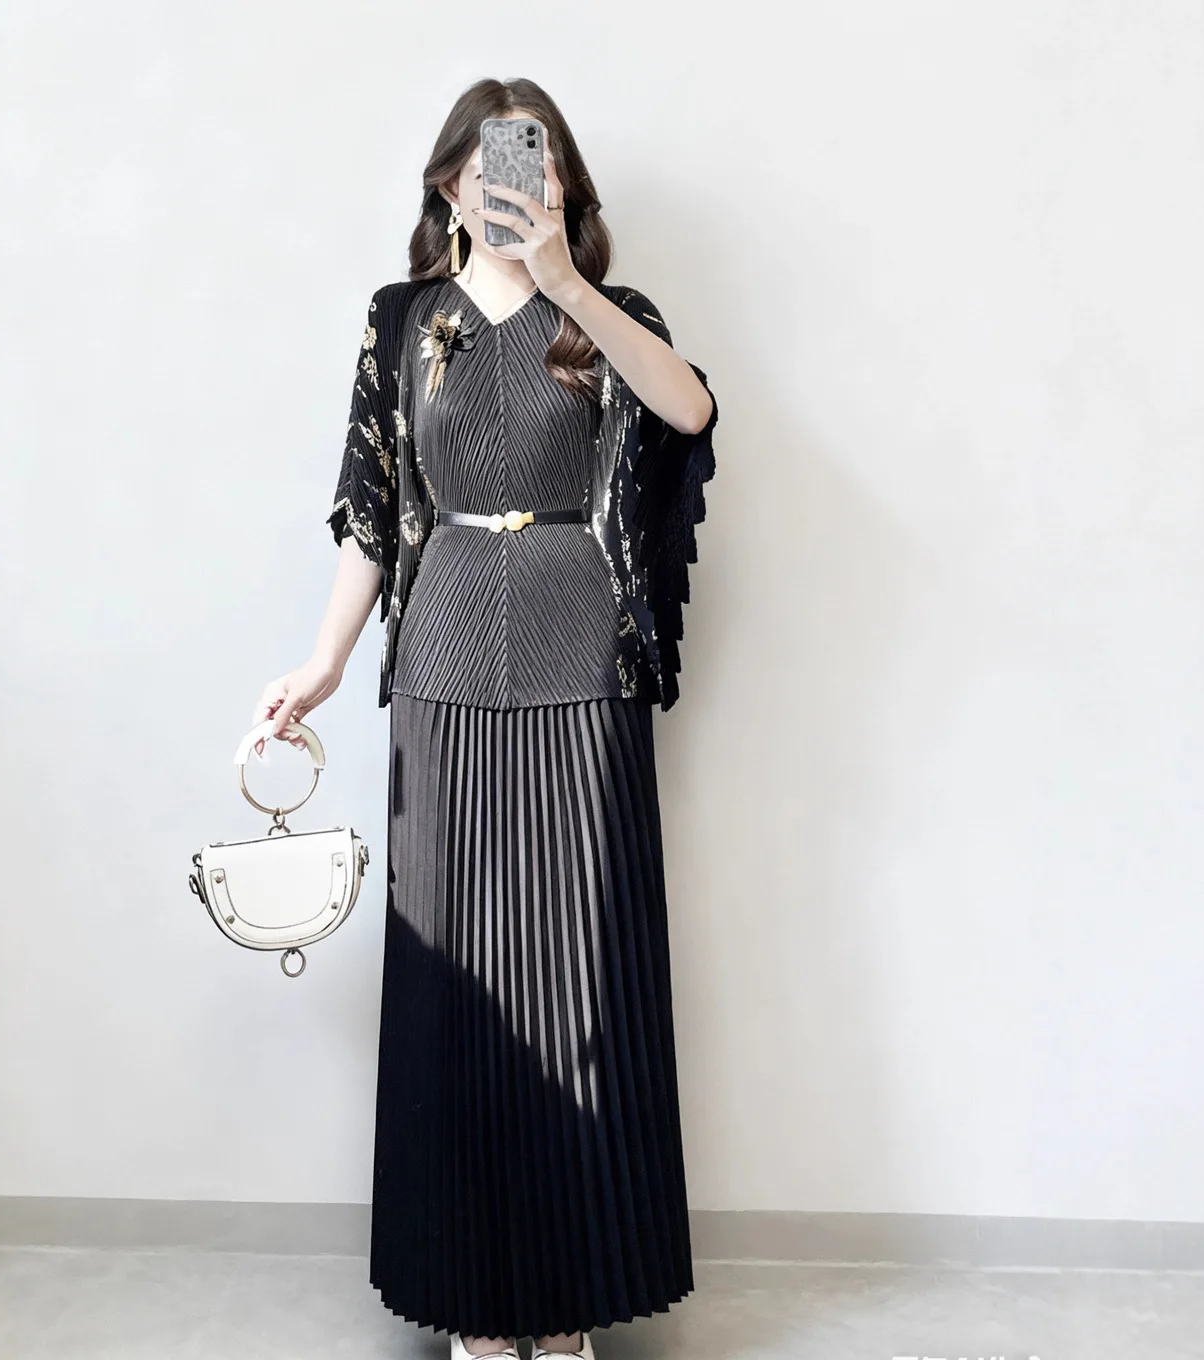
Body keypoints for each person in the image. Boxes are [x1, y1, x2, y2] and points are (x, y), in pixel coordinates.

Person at [252, 76, 718, 1360]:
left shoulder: (612, 316)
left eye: (534, 163)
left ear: (560, 183)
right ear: (448, 185)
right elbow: (371, 511)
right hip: (444, 648)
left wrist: (563, 279)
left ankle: (561, 1308)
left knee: (577, 976)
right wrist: (322, 665)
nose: (508, 184)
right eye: (485, 167)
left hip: (581, 655)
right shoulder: (403, 320)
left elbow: (689, 412)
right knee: (454, 981)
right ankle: (470, 1302)